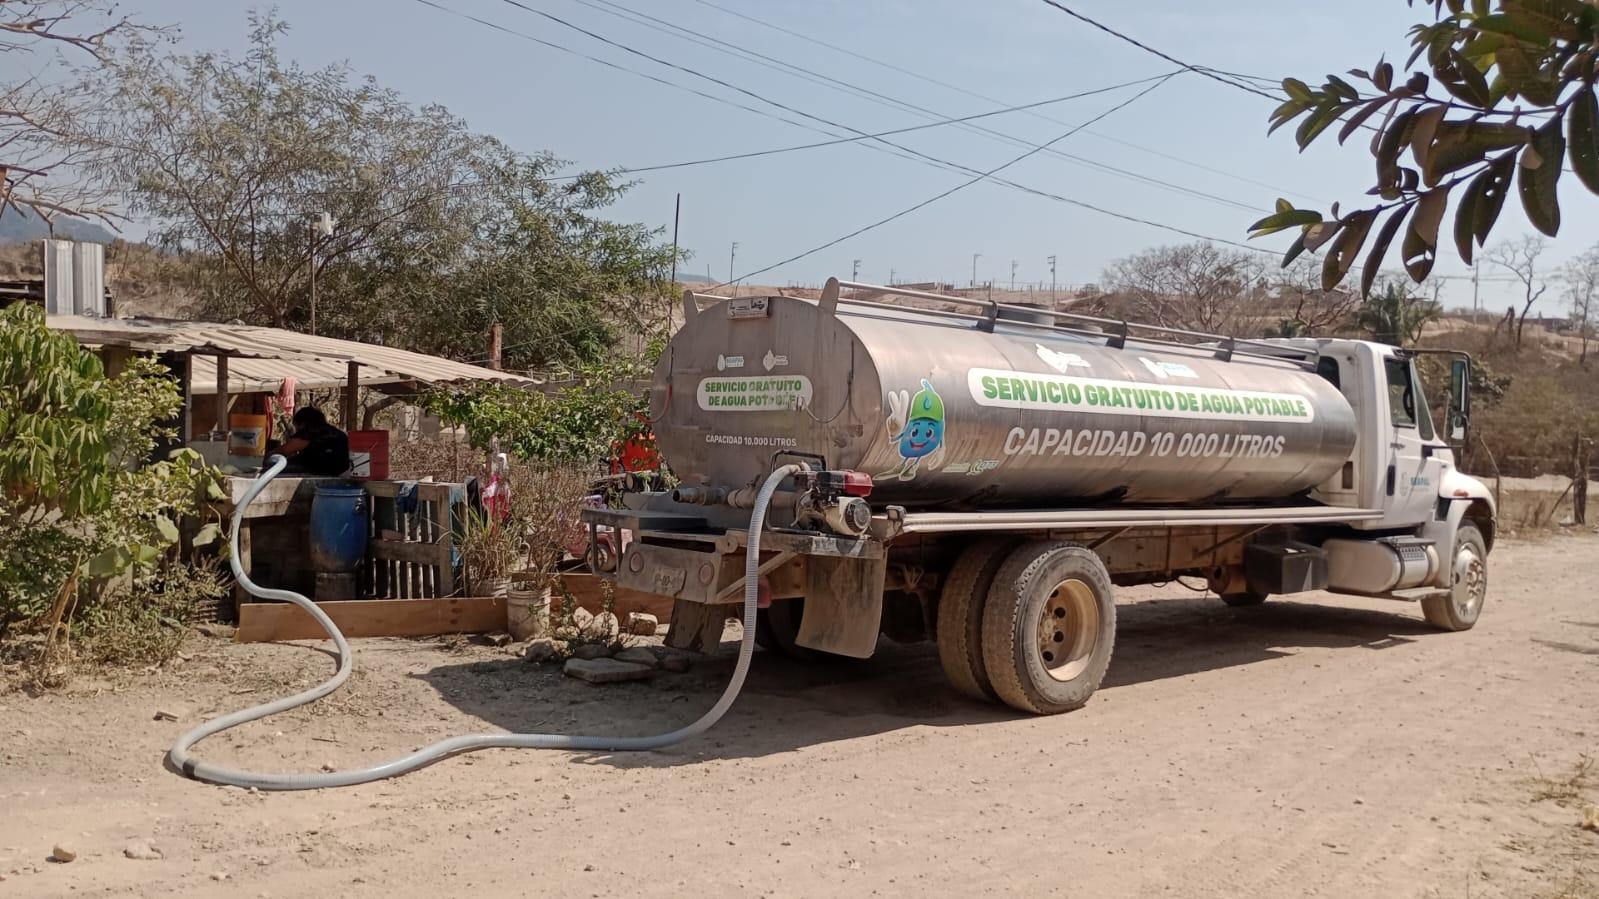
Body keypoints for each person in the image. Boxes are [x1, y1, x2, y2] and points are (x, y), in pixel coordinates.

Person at [275, 407, 351, 477]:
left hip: (318, 471)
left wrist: (272, 453)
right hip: (342, 472)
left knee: (277, 467)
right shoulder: (336, 433)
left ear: (302, 423)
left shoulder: (309, 432)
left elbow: (285, 450)